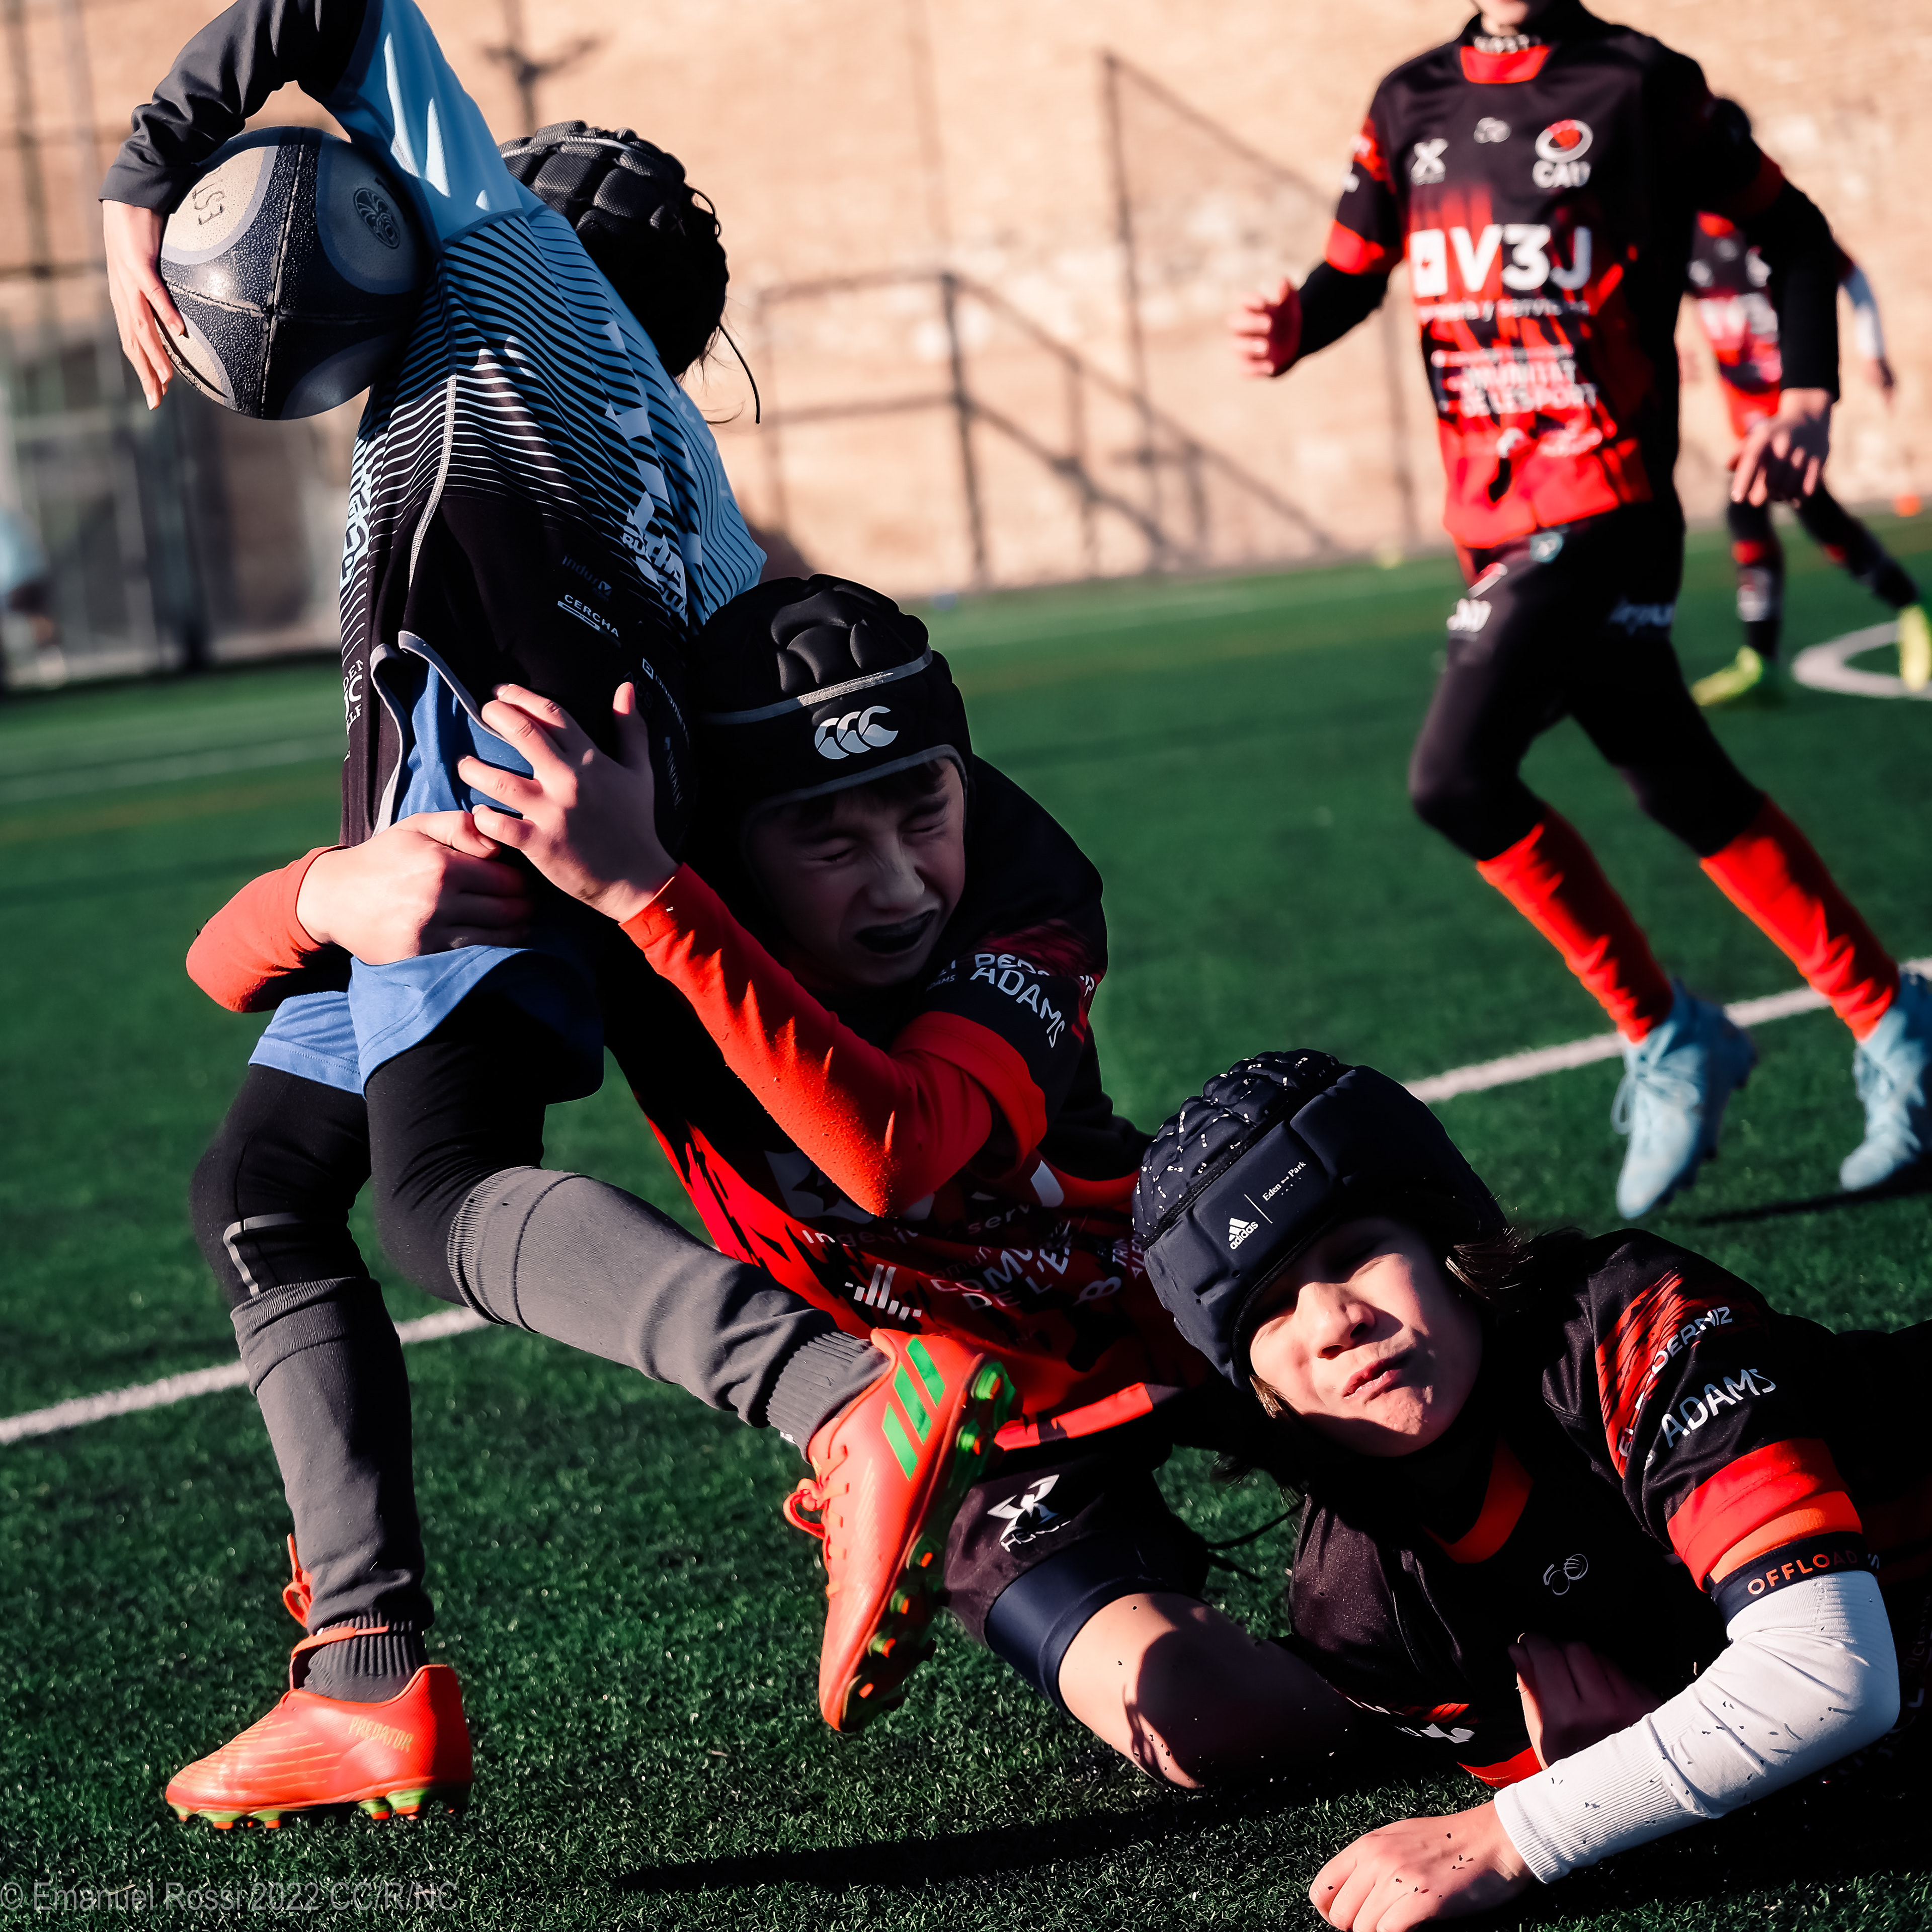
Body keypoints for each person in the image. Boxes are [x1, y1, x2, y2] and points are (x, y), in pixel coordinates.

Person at [108, 1, 1004, 1828]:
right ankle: (361, 1671)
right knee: (261, 1186)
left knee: (442, 1203)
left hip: (484, 807)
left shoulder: (506, 285)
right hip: (517, 816)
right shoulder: (681, 461)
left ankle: (839, 1397)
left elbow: (342, 9)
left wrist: (143, 180)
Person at [199, 575, 1363, 1789]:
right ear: (734, 846)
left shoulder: (1017, 878)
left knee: (1434, 1424)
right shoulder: (633, 877)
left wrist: (650, 900)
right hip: (966, 1429)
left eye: (924, 810)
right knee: (1205, 1722)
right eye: (830, 841)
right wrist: (322, 891)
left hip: (1171, 1295)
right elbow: (221, 970)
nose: (899, 881)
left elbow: (896, 1157)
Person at [1230, 0, 1931, 1216]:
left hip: (1605, 501)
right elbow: (1353, 272)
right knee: (1676, 778)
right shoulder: (1408, 100)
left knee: (1453, 776)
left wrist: (1807, 393)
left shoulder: (1636, 81)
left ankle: (1663, 1030)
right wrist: (1296, 324)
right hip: (1487, 515)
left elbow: (1796, 234)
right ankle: (1894, 1023)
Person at [1135, 1049, 1931, 1924]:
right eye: (1272, 1309)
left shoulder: (1623, 1329)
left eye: (1357, 1253)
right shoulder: (1357, 1609)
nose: (1333, 1321)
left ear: (1444, 1234)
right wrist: (1618, 1773)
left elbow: (1829, 1676)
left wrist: (1519, 1829)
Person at [1682, 199, 1931, 704]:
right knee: (1755, 511)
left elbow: (1848, 274)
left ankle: (1907, 604)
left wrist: (1873, 350)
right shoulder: (1684, 234)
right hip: (1743, 407)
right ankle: (1763, 658)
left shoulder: (1767, 214)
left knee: (1783, 508)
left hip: (1789, 407)